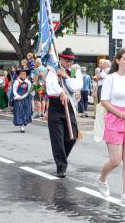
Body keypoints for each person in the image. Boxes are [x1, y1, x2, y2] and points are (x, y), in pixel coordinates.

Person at [97, 49, 125, 205]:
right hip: (115, 117)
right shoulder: (110, 78)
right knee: (115, 160)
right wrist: (120, 114)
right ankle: (102, 179)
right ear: (117, 60)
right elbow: (104, 101)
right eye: (124, 59)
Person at [46, 48, 83, 178]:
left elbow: (76, 86)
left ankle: (62, 158)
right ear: (60, 59)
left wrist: (65, 77)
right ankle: (61, 166)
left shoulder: (74, 70)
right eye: (66, 60)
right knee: (57, 138)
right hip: (56, 107)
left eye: (70, 61)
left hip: (70, 106)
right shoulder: (53, 69)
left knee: (72, 137)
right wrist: (60, 92)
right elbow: (50, 87)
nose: (68, 63)